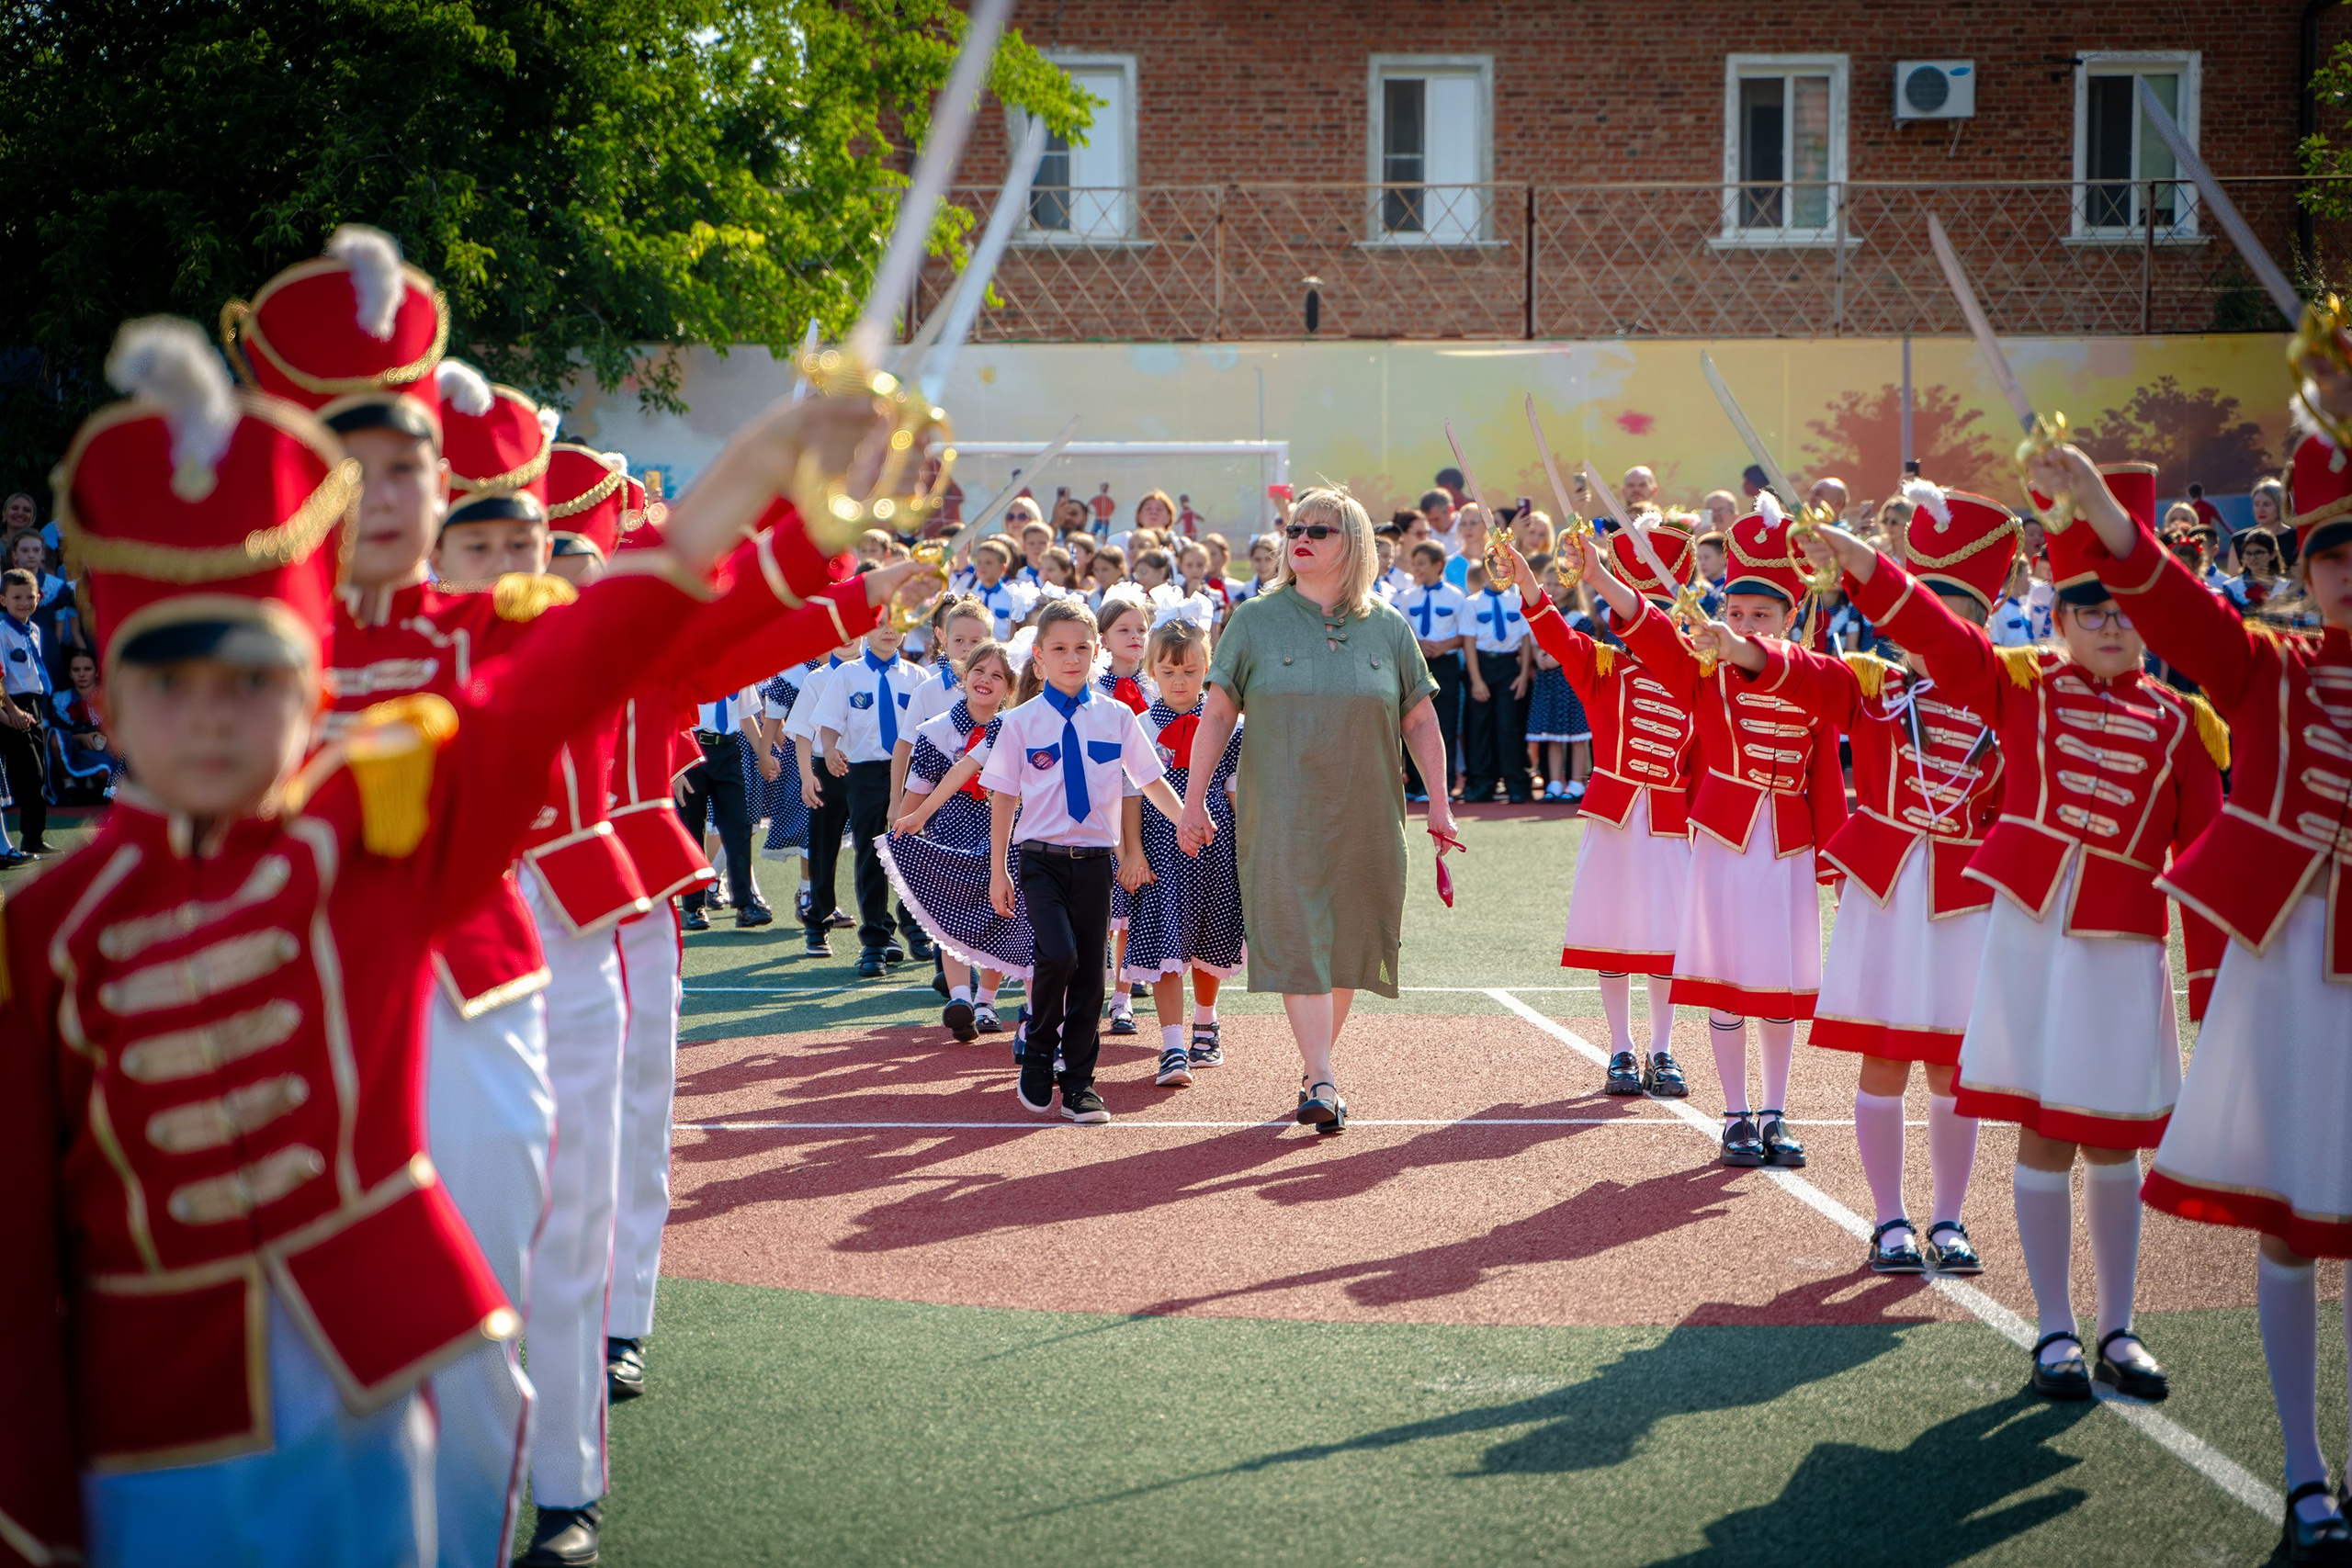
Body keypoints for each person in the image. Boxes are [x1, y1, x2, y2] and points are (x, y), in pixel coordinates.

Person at [0, 310, 886, 1568]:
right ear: (104, 707)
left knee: (536, 1254)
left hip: (405, 1230)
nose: (215, 721)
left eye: (254, 682)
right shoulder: (50, 931)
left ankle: (560, 1483)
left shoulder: (370, 825)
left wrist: (780, 475)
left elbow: (639, 625)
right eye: (170, 687)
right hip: (162, 1407)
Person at [1821, 456, 2223, 1409]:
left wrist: (2214, 1000)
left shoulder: (2185, 725)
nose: (2112, 627)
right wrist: (1863, 565)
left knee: (2114, 1145)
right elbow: (1940, 637)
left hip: (2126, 955)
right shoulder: (2023, 688)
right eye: (2091, 612)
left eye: (2127, 612)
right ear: (2058, 618)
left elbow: (2209, 866)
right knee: (2043, 1137)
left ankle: (2119, 1325)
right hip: (2034, 949)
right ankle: (2053, 1327)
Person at [2054, 402, 2352, 1556]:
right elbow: (2179, 610)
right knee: (2293, 1226)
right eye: (2329, 552)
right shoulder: (2269, 671)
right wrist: (2103, 515)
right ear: (2302, 569)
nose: (2345, 572)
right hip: (2296, 976)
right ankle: (2304, 1468)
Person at [1770, 482, 2020, 1278]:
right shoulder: (1874, 687)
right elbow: (1801, 674)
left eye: (1953, 616)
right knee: (1883, 1059)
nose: (1929, 634)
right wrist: (1742, 648)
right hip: (1886, 895)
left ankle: (1948, 1216)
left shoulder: (2009, 704)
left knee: (1952, 1065)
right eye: (1922, 613)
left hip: (1965, 900)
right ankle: (1888, 1220)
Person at [1175, 488, 1453, 1133]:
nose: (1301, 538)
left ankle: (1314, 1069)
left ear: (1352, 543)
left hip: (1368, 814)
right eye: (1295, 529)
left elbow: (1420, 720)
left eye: (1319, 530)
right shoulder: (1253, 619)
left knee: (1348, 940)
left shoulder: (1389, 625)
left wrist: (1439, 804)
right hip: (1281, 814)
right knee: (1300, 935)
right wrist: (1194, 799)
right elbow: (1216, 714)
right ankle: (1323, 1075)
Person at [1602, 496, 1847, 1170]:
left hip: (1789, 845)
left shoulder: (1815, 679)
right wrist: (1598, 577)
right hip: (1722, 842)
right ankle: (1736, 1114)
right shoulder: (1704, 670)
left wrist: (1837, 866)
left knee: (1778, 988)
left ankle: (1775, 1111)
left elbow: (1826, 777)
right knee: (1727, 983)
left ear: (1790, 617)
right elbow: (1646, 627)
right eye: (1735, 613)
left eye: (1761, 615)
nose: (1744, 626)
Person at [1498, 524, 1697, 1097]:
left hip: (1671, 821)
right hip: (1614, 817)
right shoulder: (1603, 665)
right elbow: (1555, 635)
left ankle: (1662, 1048)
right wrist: (1528, 582)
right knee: (1611, 935)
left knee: (1665, 939)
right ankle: (1621, 1048)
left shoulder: (1698, 674)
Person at [981, 599, 1185, 1124]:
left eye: (1080, 648)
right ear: (1039, 657)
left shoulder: (1118, 717)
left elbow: (1150, 780)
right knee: (1059, 955)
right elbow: (1003, 796)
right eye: (1059, 649)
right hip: (1039, 860)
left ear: (1097, 652)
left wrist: (1186, 816)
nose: (1071, 658)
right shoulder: (1019, 722)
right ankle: (1039, 1047)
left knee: (1092, 973)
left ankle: (1078, 1084)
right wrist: (998, 868)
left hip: (1095, 862)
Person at [885, 638, 1031, 1039]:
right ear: (963, 677)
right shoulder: (937, 730)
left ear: (1009, 687)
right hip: (950, 830)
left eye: (997, 676)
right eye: (978, 671)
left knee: (1004, 913)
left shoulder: (1015, 725)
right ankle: (960, 999)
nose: (986, 680)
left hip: (1002, 829)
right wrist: (907, 822)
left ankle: (985, 1000)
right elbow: (922, 786)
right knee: (951, 912)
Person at [1123, 617, 1247, 1086]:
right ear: (1151, 671)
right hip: (1158, 851)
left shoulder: (1229, 726)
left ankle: (1206, 1025)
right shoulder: (1138, 726)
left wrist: (1247, 850)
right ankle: (1172, 1045)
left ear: (1208, 668)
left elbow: (1235, 792)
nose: (1179, 681)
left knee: (1211, 937)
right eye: (1169, 671)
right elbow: (1130, 796)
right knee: (1164, 943)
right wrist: (1132, 852)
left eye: (1191, 671)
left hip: (1215, 847)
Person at [812, 610, 929, 977]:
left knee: (914, 852)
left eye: (897, 623)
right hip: (864, 773)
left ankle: (915, 925)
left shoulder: (918, 676)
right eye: (880, 623)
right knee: (870, 852)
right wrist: (829, 749)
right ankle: (877, 939)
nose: (889, 630)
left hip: (911, 773)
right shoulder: (847, 674)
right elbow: (829, 722)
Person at [1092, 592, 1157, 1035]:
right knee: (1099, 906)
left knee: (1134, 902)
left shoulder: (1157, 687)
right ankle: (1089, 991)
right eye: (1124, 630)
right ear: (1104, 638)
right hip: (1098, 807)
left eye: (1141, 629)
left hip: (1147, 806)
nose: (1134, 637)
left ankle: (1123, 996)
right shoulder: (1093, 690)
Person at [786, 638, 860, 953]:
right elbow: (803, 733)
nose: (848, 638)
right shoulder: (816, 678)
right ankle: (817, 922)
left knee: (873, 851)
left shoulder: (875, 673)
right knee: (823, 849)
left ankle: (881, 930)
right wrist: (807, 776)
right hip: (827, 775)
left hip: (871, 771)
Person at [679, 683, 768, 925]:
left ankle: (745, 904)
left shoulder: (736, 671)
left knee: (737, 826)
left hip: (728, 750)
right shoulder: (685, 671)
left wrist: (764, 755)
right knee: (692, 826)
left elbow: (746, 715)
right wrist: (677, 769)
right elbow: (672, 720)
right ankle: (694, 907)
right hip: (691, 749)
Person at [1394, 539, 1469, 802]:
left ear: (1439, 565)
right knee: (1413, 721)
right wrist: (1418, 644)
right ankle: (1415, 785)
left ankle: (1441, 787)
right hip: (1416, 665)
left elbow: (1465, 634)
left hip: (1446, 665)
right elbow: (1403, 632)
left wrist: (1443, 645)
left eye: (1422, 564)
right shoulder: (1406, 597)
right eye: (1414, 564)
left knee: (1445, 723)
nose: (1417, 569)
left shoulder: (1456, 596)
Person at [1520, 552, 1591, 803]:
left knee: (1576, 737)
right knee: (1551, 736)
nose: (1552, 589)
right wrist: (1539, 657)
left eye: (1558, 584)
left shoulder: (1580, 618)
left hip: (1571, 683)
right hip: (1548, 683)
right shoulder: (1543, 614)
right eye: (1548, 584)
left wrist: (1559, 658)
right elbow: (1536, 640)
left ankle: (1576, 782)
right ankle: (1554, 782)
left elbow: (1585, 646)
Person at [1462, 558, 1533, 804]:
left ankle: (1516, 783)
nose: (1499, 576)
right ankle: (1483, 783)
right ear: (1484, 573)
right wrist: (1476, 680)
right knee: (1480, 726)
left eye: (1504, 571)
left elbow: (1525, 640)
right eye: (1493, 571)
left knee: (1508, 726)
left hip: (1508, 667)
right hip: (1482, 665)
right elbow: (1469, 643)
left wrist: (1523, 674)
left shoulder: (1517, 600)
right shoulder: (1471, 603)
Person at [0, 568, 53, 857]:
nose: (24, 603)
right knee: (30, 773)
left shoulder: (34, 630)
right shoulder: (2, 632)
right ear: (3, 600)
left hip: (33, 703)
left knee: (40, 773)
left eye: (29, 597)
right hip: (12, 704)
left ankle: (35, 837)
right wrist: (12, 711)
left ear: (38, 598)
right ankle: (27, 838)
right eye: (17, 597)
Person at [46, 646, 118, 802]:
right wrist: (81, 738)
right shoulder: (60, 699)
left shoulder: (106, 698)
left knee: (104, 768)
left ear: (96, 672)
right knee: (55, 737)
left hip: (101, 749)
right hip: (72, 748)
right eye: (76, 670)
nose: (82, 674)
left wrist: (98, 738)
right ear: (70, 673)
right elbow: (56, 730)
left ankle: (99, 787)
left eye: (87, 669)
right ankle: (69, 785)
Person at [967, 536, 1036, 639]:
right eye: (979, 562)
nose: (982, 566)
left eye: (988, 563)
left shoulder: (1010, 597)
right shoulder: (970, 595)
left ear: (1003, 568)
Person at [1231, 534, 1279, 603]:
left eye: (1268, 559)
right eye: (1257, 559)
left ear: (1277, 559)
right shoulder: (1246, 593)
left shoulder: (1286, 588)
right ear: (1251, 560)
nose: (1263, 565)